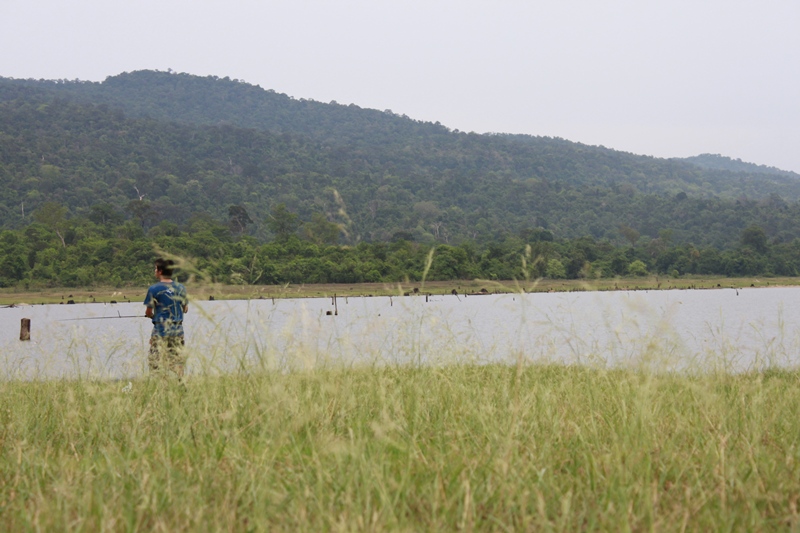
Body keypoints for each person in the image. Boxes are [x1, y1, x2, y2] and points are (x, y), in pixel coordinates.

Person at [144, 258, 188, 377]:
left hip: (160, 331)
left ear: (160, 271)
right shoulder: (181, 288)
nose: (154, 270)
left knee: (155, 362)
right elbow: (185, 308)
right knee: (177, 361)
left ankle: (162, 386)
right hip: (178, 330)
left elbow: (148, 312)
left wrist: (152, 316)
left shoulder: (153, 289)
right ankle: (181, 383)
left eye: (155, 268)